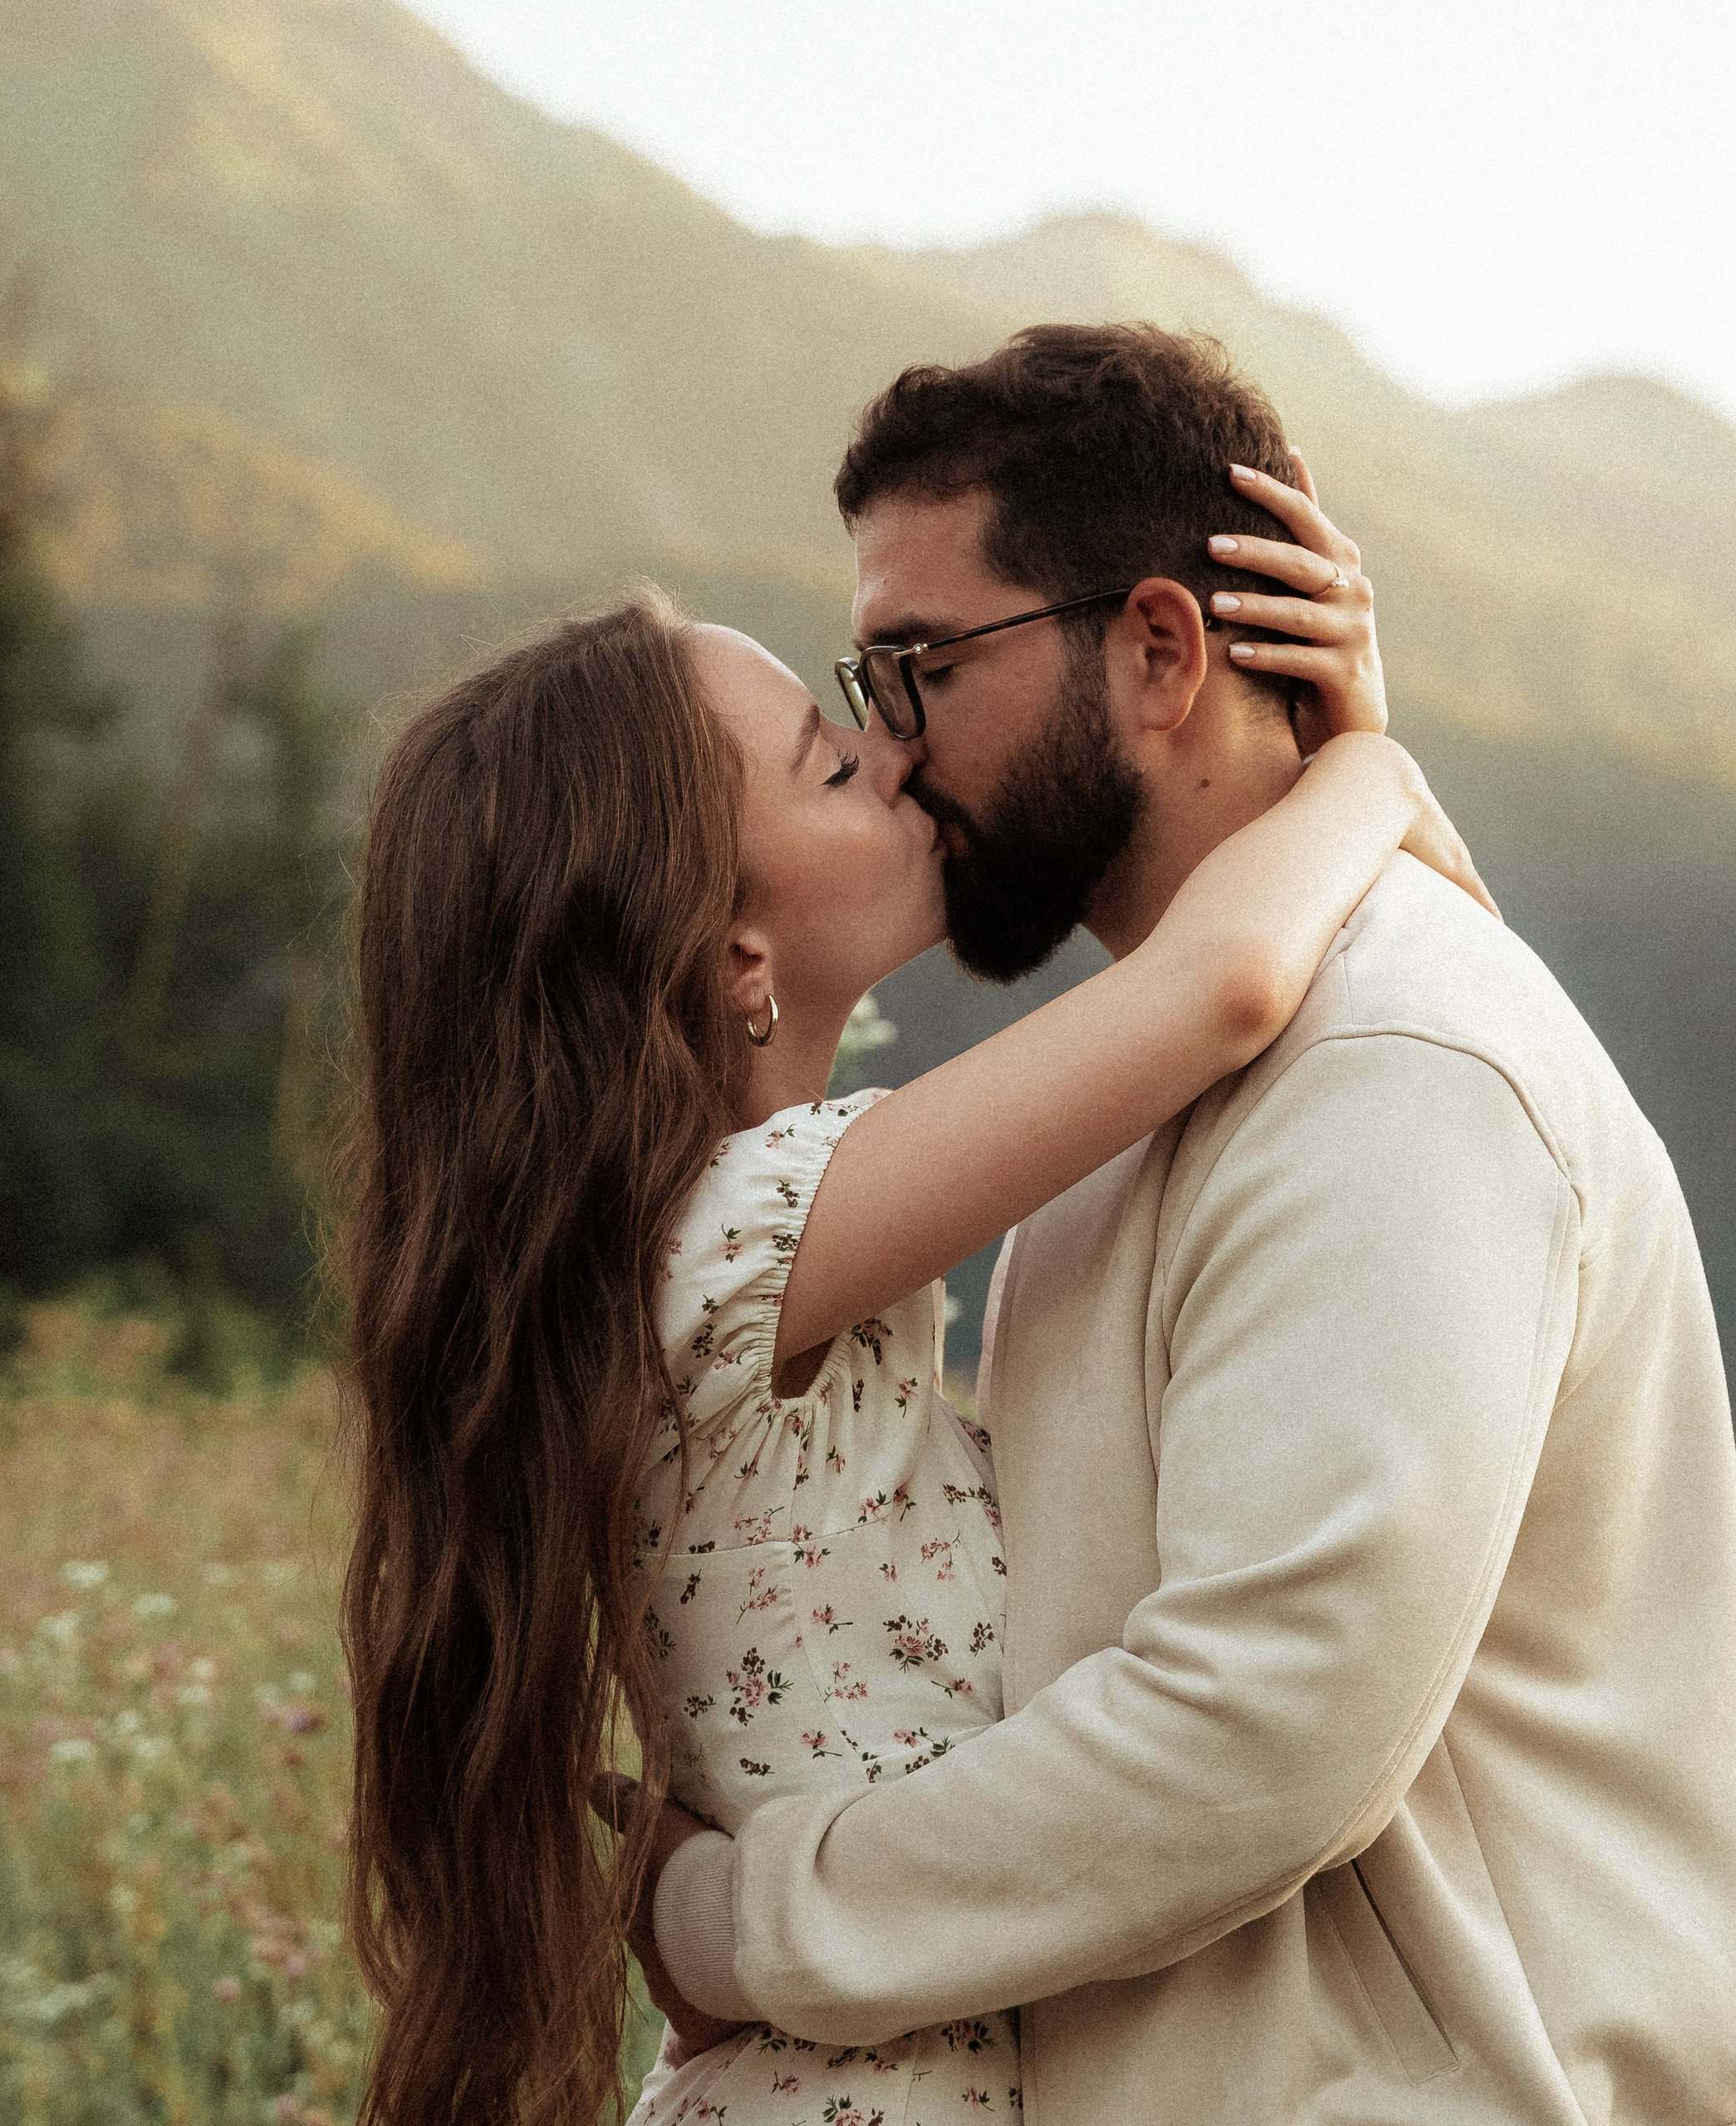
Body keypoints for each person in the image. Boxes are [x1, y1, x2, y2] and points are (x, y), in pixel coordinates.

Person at [623, 326, 1736, 2126]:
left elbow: (1253, 1734)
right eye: (860, 686)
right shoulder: (1114, 1113)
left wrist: (730, 1916)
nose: (891, 744)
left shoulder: (1396, 1061)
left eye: (921, 665)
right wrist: (1375, 778)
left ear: (1160, 650)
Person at [337, 449, 1487, 2121]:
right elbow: (1232, 978)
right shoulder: (735, 1239)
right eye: (826, 765)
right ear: (737, 954)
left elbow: (1423, 1045)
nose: (895, 755)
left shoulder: (711, 1248)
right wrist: (1364, 756)